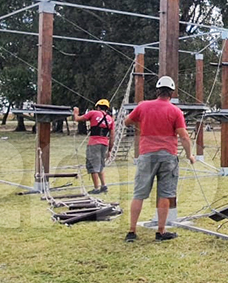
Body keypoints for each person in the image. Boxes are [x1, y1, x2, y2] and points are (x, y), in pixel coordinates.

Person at [123, 76, 195, 242]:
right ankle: (160, 232)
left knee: (139, 193)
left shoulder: (143, 106)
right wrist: (190, 155)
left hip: (146, 155)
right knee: (165, 194)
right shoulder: (175, 111)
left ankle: (132, 231)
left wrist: (141, 125)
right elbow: (183, 136)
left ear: (157, 91)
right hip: (168, 156)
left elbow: (127, 122)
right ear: (171, 93)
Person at [73, 99, 114, 194]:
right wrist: (110, 150)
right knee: (100, 165)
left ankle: (96, 188)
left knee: (92, 166)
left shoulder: (93, 113)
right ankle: (104, 186)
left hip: (94, 143)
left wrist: (76, 112)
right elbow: (112, 136)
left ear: (98, 107)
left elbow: (78, 119)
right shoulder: (110, 119)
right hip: (104, 144)